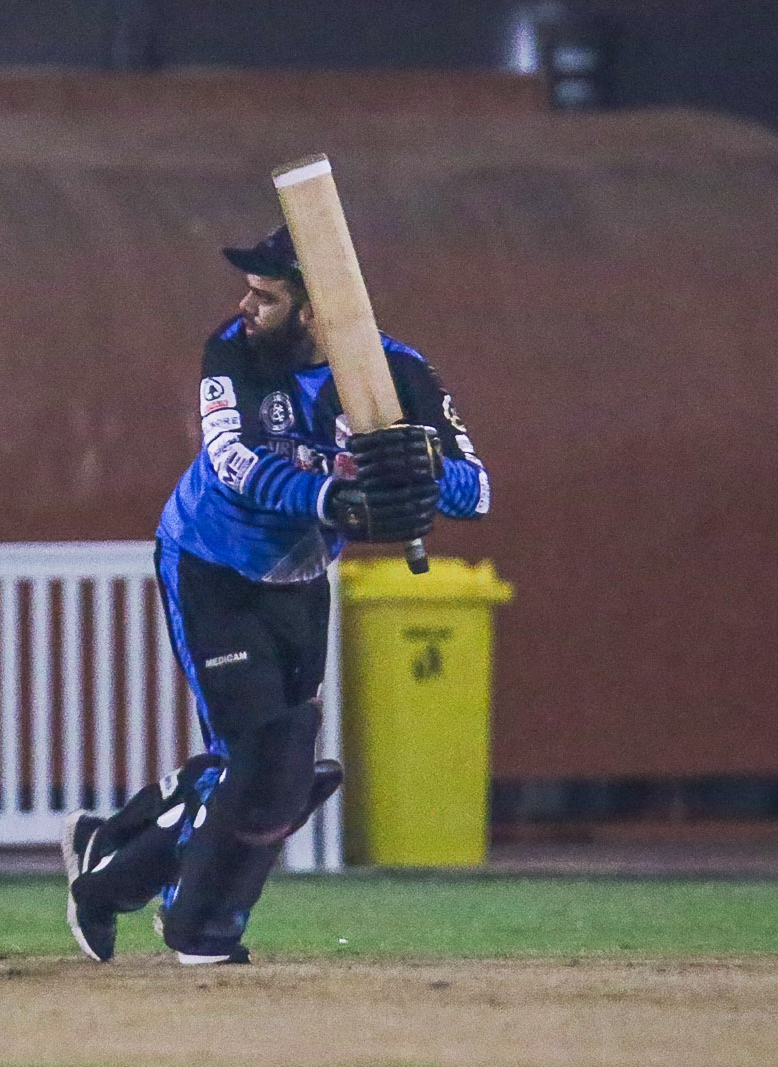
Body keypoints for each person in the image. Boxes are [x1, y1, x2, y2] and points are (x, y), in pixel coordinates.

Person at [60, 224, 491, 964]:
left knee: (279, 775)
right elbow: (232, 461)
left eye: (266, 296)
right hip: (210, 565)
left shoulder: (397, 371)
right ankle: (197, 927)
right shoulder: (233, 350)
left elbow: (476, 490)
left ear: (316, 311)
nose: (245, 306)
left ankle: (109, 863)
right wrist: (332, 498)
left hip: (298, 580)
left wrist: (420, 469)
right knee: (260, 760)